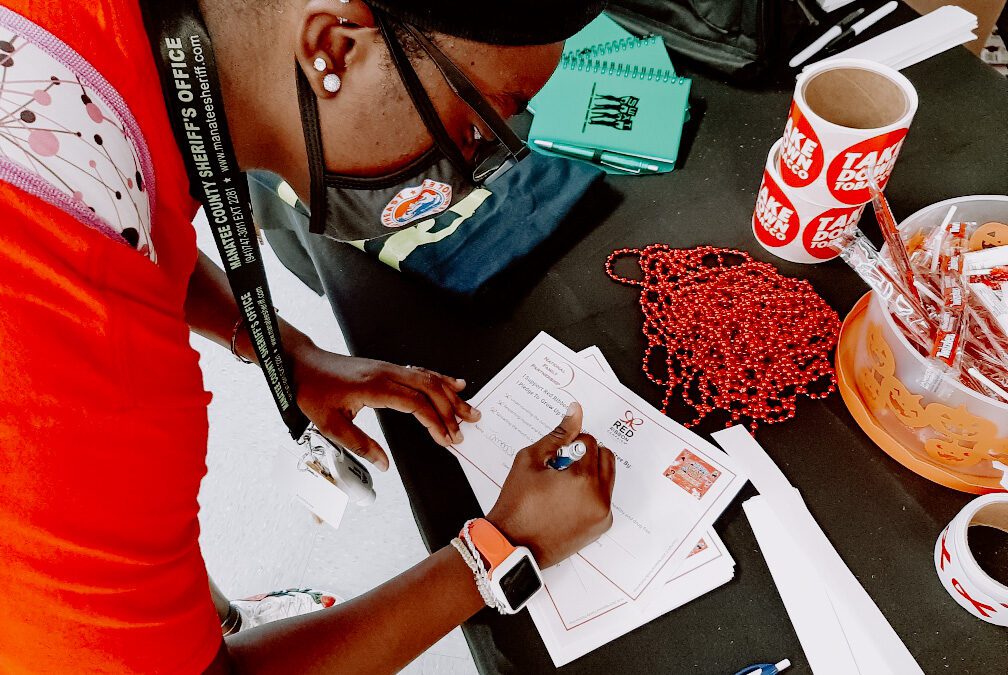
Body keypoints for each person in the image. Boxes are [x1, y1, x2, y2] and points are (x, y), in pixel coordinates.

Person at [0, 0, 616, 672]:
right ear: (336, 46)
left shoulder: (116, 45)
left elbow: (114, 214)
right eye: (475, 126)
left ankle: (186, 621)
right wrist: (500, 549)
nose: (475, 172)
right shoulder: (80, 384)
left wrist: (286, 351)